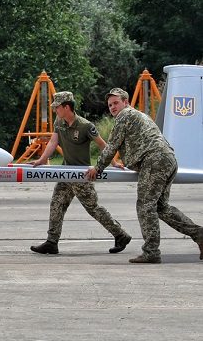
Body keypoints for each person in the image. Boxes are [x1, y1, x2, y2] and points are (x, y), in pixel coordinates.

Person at [86, 88, 203, 263]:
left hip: (154, 160)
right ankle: (199, 234)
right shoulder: (139, 116)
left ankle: (151, 252)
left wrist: (98, 168)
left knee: (145, 206)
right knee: (161, 208)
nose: (112, 107)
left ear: (126, 102)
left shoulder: (125, 115)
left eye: (116, 103)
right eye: (110, 105)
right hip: (167, 159)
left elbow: (111, 147)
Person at [30, 91, 131, 255]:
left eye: (57, 107)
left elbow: (102, 144)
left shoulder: (85, 126)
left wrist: (114, 163)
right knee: (57, 204)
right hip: (66, 173)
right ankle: (51, 242)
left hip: (81, 176)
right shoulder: (59, 121)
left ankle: (121, 235)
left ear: (66, 107)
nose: (55, 110)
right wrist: (41, 160)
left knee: (93, 208)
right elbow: (53, 141)